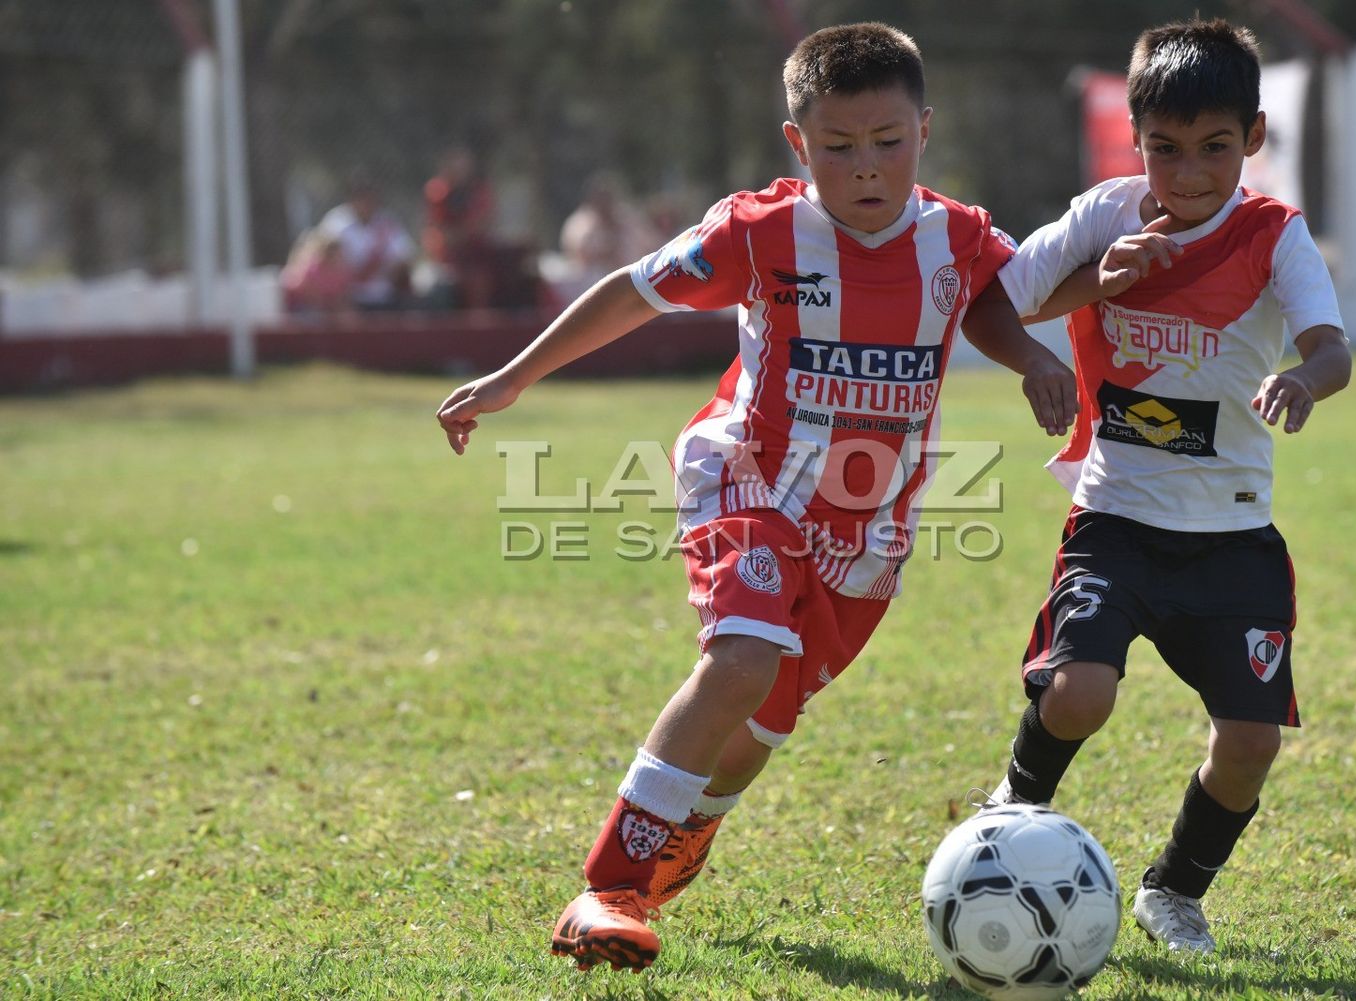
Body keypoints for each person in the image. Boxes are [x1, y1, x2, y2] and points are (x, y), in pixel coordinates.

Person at [435, 22, 1076, 974]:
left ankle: (688, 830)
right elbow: (630, 289)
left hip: (869, 526)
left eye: (888, 143)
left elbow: (985, 289)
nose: (866, 169)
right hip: (748, 477)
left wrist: (1027, 356)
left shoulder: (958, 232)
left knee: (760, 730)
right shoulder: (761, 231)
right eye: (839, 148)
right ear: (798, 143)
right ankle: (605, 886)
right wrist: (514, 378)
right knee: (740, 661)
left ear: (926, 131)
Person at [978, 17, 1353, 955]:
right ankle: (1011, 810)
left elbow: (1332, 345)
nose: (1187, 175)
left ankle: (1174, 890)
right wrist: (1082, 299)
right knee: (1078, 692)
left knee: (1252, 742)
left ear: (1254, 140)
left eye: (1215, 148)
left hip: (1234, 535)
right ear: (1136, 142)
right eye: (1166, 150)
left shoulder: (1274, 237)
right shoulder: (1107, 212)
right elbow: (997, 302)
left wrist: (1306, 378)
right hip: (1115, 517)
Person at [317, 176, 415, 310]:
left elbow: (405, 256)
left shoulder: (387, 222)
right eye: (361, 198)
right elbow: (325, 261)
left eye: (370, 198)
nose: (366, 203)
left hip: (386, 296)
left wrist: (390, 270)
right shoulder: (336, 223)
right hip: (347, 299)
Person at [422, 147, 502, 309]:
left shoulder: (478, 190)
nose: (460, 172)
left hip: (477, 256)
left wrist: (466, 231)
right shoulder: (438, 191)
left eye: (464, 167)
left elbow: (484, 224)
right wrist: (464, 232)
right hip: (447, 259)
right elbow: (443, 235)